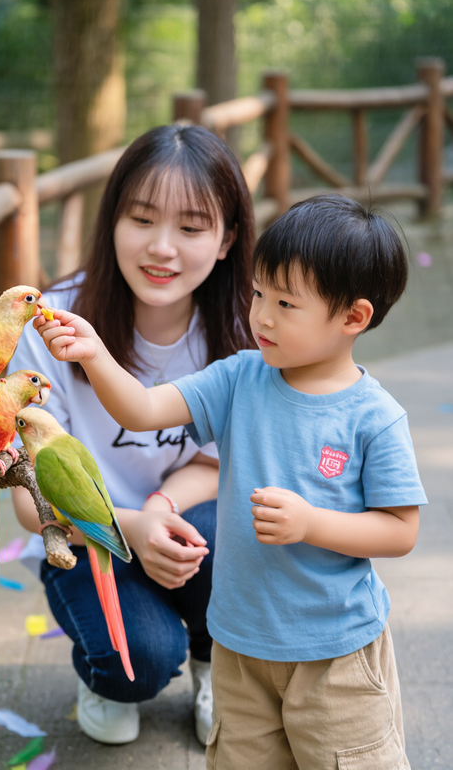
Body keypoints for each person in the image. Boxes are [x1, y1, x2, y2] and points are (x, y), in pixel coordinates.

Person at [36, 194, 427, 769]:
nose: (261, 316)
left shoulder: (375, 417)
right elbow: (142, 409)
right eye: (259, 294)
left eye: (285, 303)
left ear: (353, 318)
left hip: (336, 652)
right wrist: (95, 356)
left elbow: (400, 532)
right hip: (239, 647)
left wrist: (311, 524)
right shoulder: (240, 377)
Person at [8, 124, 256, 746]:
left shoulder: (244, 330)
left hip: (181, 518)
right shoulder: (49, 327)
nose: (161, 248)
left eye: (191, 228)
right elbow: (28, 503)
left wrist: (160, 509)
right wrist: (131, 529)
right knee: (137, 661)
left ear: (227, 239)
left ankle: (215, 660)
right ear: (113, 219)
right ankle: (108, 674)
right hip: (85, 536)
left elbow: (219, 462)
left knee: (238, 534)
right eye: (142, 219)